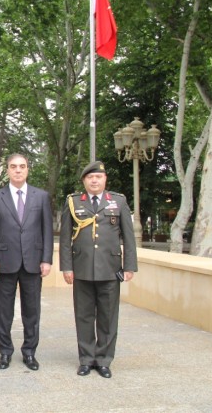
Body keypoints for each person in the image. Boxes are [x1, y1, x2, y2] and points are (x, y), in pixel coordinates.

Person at [59, 160, 137, 379]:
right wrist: (67, 267)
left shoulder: (118, 201)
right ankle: (86, 359)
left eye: (98, 177)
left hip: (110, 269)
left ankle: (103, 360)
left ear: (105, 180)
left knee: (108, 316)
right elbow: (65, 239)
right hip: (81, 268)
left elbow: (129, 238)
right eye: (90, 177)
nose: (94, 180)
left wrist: (129, 266)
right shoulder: (74, 202)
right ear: (84, 181)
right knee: (83, 316)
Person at [0, 153, 53, 371]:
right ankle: (5, 352)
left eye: (22, 166)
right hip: (5, 263)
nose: (18, 170)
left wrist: (46, 259)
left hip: (33, 262)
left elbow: (47, 231)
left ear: (27, 170)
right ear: (7, 170)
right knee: (4, 312)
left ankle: (29, 353)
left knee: (32, 311)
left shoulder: (41, 197)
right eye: (13, 166)